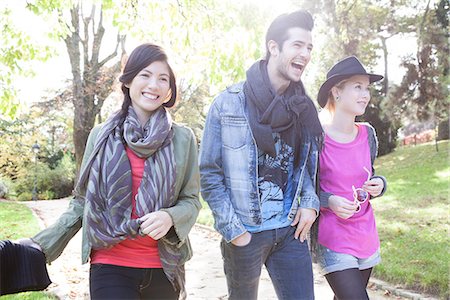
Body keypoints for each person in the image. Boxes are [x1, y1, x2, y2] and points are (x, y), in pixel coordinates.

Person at [17, 43, 201, 300]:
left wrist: (171, 217)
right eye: (145, 75)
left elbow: (191, 200)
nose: (154, 85)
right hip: (110, 263)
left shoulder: (183, 139)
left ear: (170, 89)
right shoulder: (101, 136)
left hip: (163, 265)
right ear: (128, 81)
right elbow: (82, 200)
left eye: (163, 79)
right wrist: (43, 244)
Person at [199, 10, 323, 300]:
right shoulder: (228, 104)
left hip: (290, 231)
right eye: (297, 45)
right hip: (245, 232)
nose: (304, 54)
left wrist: (309, 202)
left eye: (309, 48)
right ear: (273, 47)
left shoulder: (303, 107)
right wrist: (234, 229)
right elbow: (209, 172)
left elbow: (304, 165)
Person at [314, 56, 387, 300]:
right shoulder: (317, 138)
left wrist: (380, 185)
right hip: (333, 237)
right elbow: (305, 189)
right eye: (357, 87)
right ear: (336, 91)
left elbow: (370, 174)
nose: (365, 94)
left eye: (367, 88)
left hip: (365, 234)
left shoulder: (368, 134)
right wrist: (330, 201)